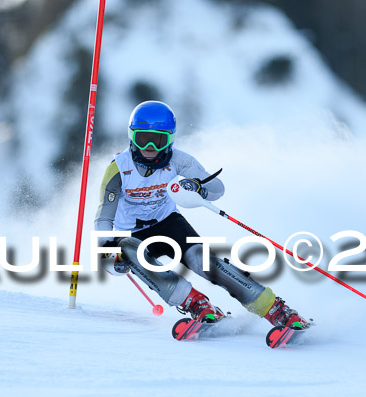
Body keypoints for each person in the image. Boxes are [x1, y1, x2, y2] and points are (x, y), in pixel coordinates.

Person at [94, 100, 311, 329]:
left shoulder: (179, 160)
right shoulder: (118, 168)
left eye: (158, 140)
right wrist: (106, 248)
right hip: (131, 232)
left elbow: (218, 188)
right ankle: (196, 304)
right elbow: (104, 216)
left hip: (167, 223)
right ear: (131, 137)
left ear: (170, 139)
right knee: (129, 249)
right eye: (142, 138)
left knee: (202, 260)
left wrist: (199, 188)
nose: (150, 147)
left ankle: (274, 309)